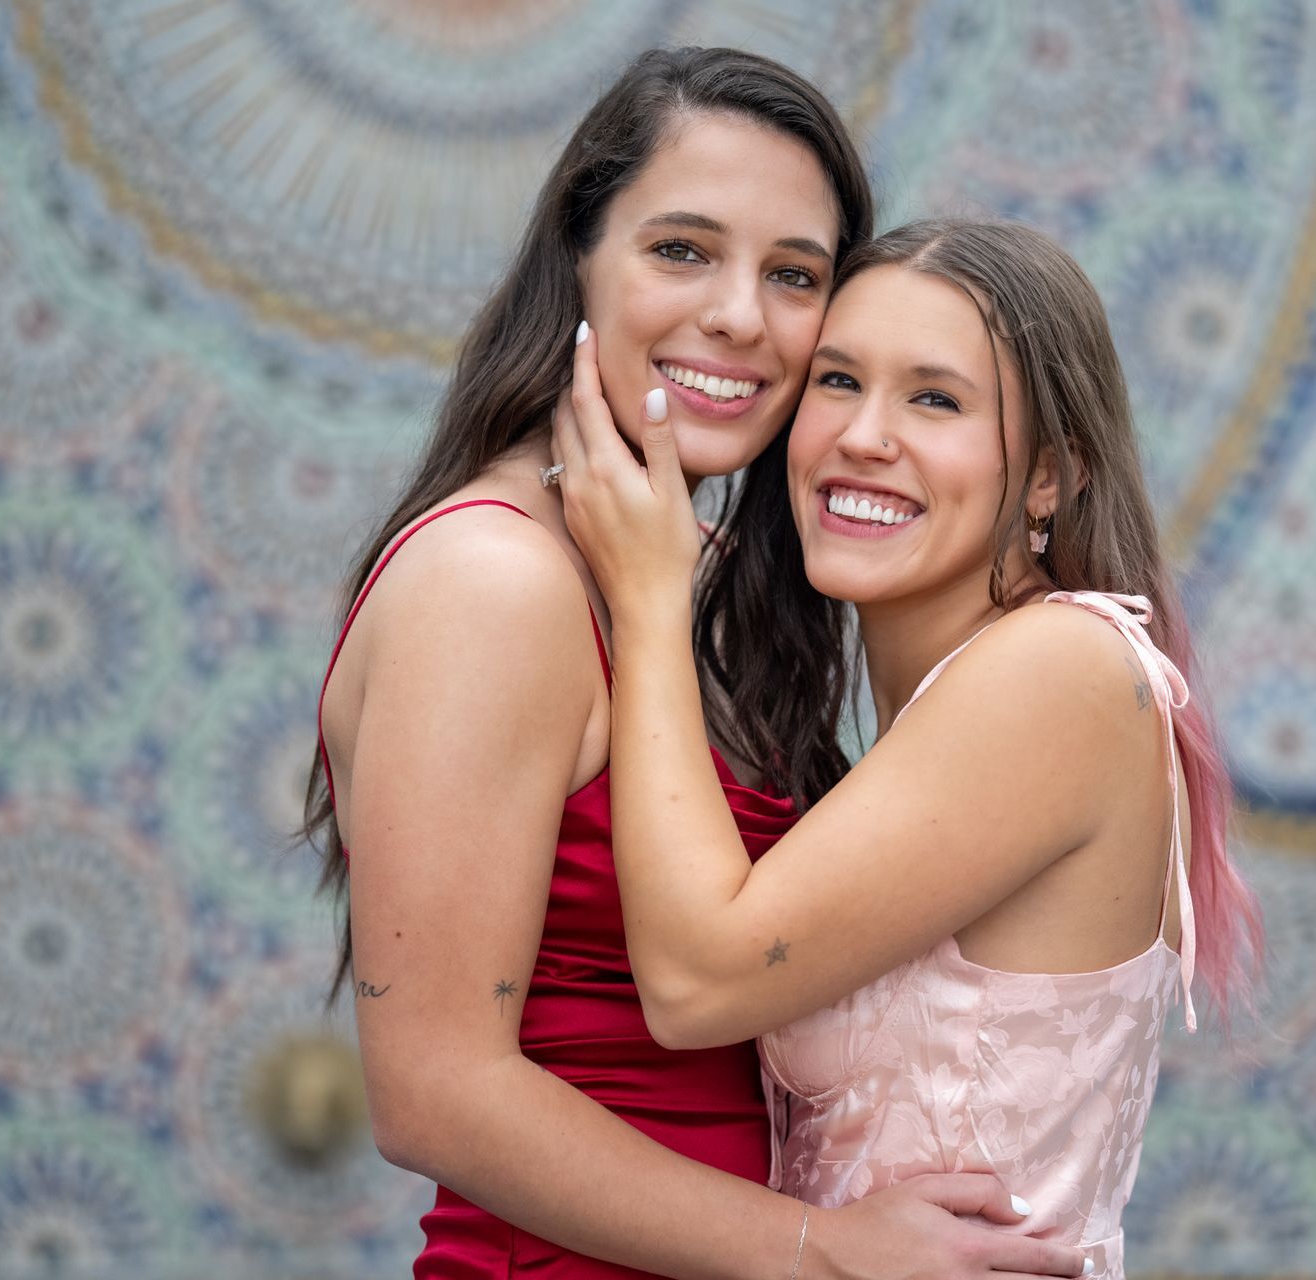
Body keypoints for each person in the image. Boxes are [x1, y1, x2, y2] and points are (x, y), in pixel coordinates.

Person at [305, 48, 1089, 1279]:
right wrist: (824, 1249)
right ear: (579, 260)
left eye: (794, 275)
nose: (738, 314)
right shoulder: (497, 581)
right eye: (681, 250)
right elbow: (435, 1090)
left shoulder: (684, 572)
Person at [551, 218, 1265, 1280]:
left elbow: (698, 980)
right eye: (837, 382)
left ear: (1049, 479)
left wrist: (650, 597)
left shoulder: (1058, 669)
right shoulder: (948, 709)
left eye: (935, 399)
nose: (863, 435)